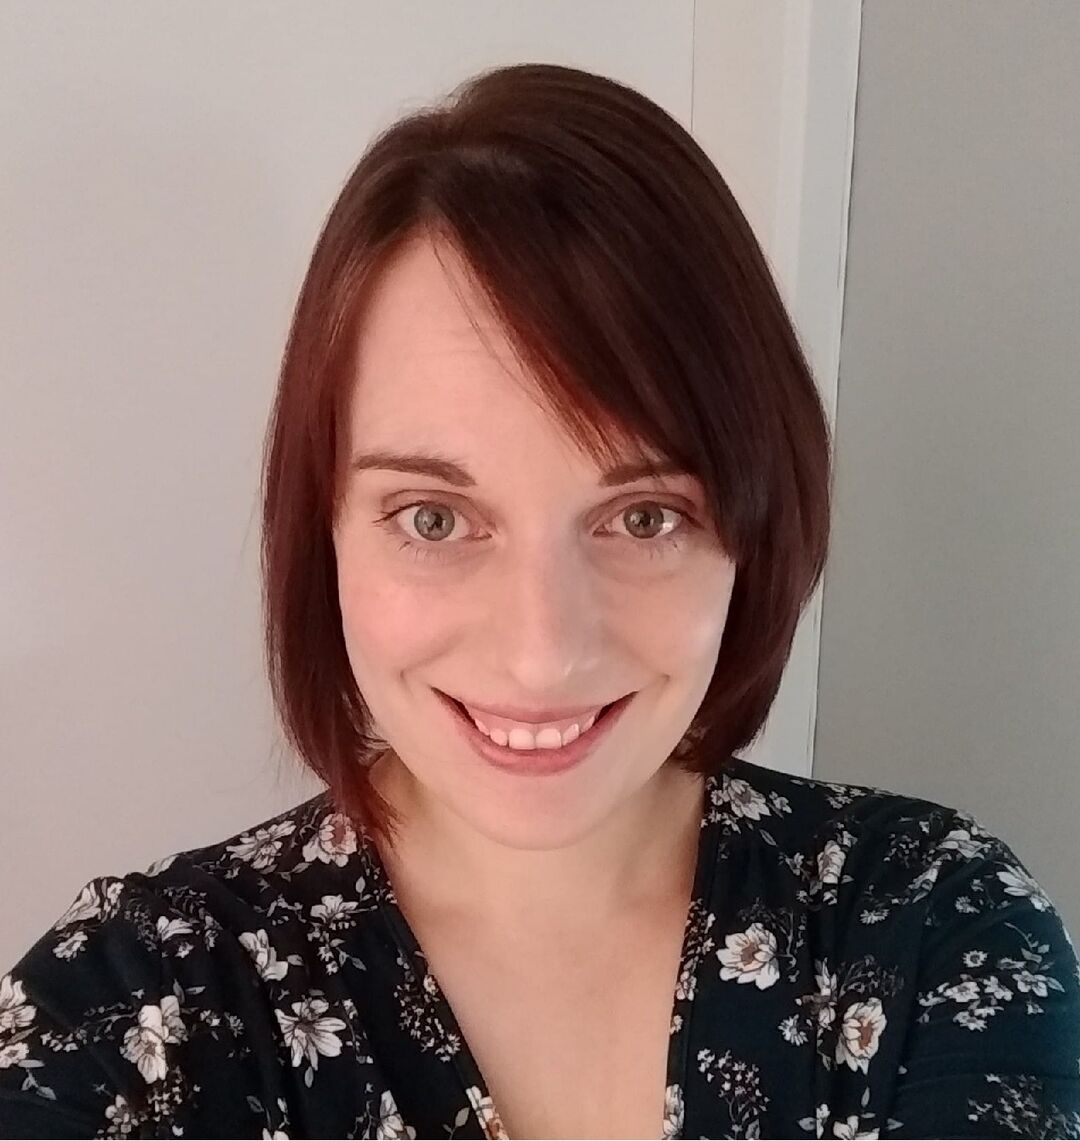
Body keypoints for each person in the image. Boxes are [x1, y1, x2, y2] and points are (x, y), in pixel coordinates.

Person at [1, 61, 1077, 1141]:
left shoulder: (933, 927)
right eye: (433, 518)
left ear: (755, 526)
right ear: (321, 528)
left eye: (643, 517)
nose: (541, 652)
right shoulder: (129, 1016)